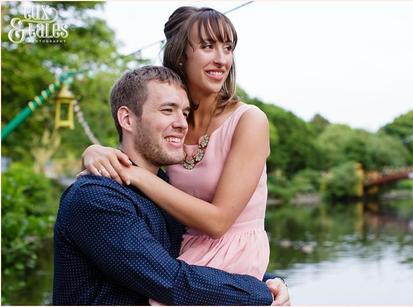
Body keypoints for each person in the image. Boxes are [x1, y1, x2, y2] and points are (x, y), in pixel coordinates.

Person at [82, 6, 284, 303]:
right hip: (182, 251)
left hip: (235, 254)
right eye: (207, 46)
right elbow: (137, 147)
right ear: (180, 55)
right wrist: (93, 152)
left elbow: (218, 222)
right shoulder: (176, 123)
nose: (222, 58)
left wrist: (267, 285)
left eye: (228, 48)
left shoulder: (249, 120)